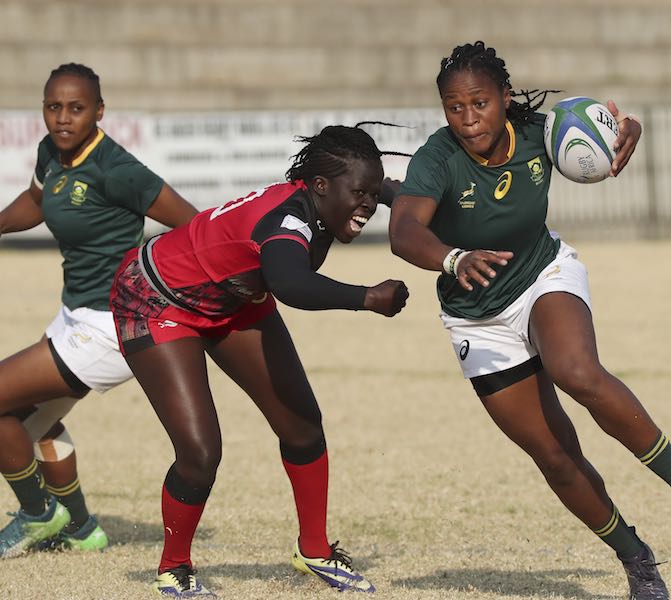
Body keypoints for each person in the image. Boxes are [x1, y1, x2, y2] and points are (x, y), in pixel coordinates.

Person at [388, 41, 671, 600]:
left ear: (504, 97)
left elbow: (609, 125)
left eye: (479, 102)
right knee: (554, 456)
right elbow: (405, 230)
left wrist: (631, 130)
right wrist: (454, 258)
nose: (468, 118)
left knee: (576, 371)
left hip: (541, 274)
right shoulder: (437, 157)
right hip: (476, 319)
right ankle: (637, 558)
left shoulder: (540, 131)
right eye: (454, 108)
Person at [109, 123, 409, 597]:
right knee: (201, 453)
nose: (368, 205)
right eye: (360, 194)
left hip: (231, 296)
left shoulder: (332, 196)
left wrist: (411, 198)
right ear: (319, 187)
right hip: (157, 299)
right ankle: (174, 567)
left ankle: (313, 551)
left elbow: (398, 191)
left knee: (303, 425)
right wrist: (367, 296)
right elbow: (290, 285)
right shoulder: (289, 222)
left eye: (372, 194)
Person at [0, 64, 198, 559]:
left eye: (76, 108)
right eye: (53, 107)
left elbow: (195, 227)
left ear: (99, 111)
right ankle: (84, 529)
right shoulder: (52, 153)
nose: (62, 118)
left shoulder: (117, 169)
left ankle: (39, 515)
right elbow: (35, 201)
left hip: (110, 326)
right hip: (73, 316)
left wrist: (178, 292)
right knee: (35, 422)